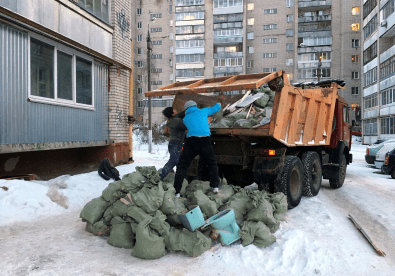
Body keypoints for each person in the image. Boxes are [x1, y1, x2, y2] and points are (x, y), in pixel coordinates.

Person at [173, 99, 222, 197]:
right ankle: (215, 186)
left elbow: (193, 125)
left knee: (182, 166)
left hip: (192, 142)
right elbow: (216, 108)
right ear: (196, 106)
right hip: (205, 141)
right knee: (212, 163)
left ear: (186, 109)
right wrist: (219, 103)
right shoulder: (204, 111)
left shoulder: (185, 118)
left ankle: (177, 191)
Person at [159, 107, 187, 181]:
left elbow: (179, 115)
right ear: (172, 113)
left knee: (179, 162)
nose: (176, 109)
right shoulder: (177, 121)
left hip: (175, 143)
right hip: (176, 144)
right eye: (174, 109)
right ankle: (161, 175)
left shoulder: (173, 119)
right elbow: (187, 125)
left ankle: (181, 178)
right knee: (174, 160)